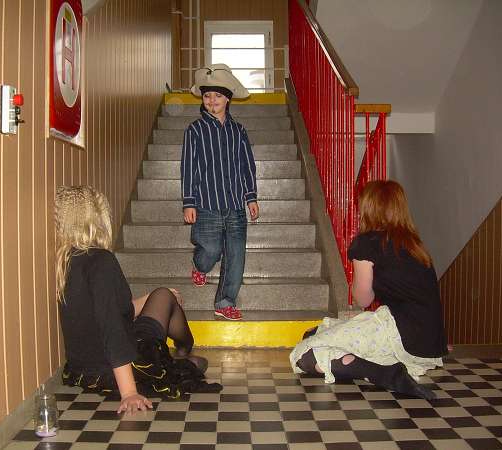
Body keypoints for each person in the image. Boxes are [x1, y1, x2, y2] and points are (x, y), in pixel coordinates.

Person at [55, 185, 220, 415]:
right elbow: (112, 328)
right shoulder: (101, 261)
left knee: (161, 294)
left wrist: (148, 298)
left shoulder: (68, 262)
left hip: (84, 369)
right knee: (194, 360)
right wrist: (129, 392)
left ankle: (180, 351)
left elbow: (117, 312)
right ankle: (183, 348)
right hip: (116, 366)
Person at [290, 180, 448, 399]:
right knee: (314, 333)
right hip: (428, 345)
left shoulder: (367, 243)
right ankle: (382, 366)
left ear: (369, 209)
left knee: (304, 356)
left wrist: (355, 282)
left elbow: (363, 299)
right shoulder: (414, 245)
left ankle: (381, 374)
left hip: (399, 334)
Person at [181, 63, 259, 321]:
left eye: (217, 96)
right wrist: (189, 202)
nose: (211, 100)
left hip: (236, 205)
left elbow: (247, 165)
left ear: (227, 99)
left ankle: (225, 302)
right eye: (207, 96)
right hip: (206, 205)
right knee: (211, 251)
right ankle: (199, 265)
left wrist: (250, 196)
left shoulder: (239, 131)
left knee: (236, 255)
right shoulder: (194, 130)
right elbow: (188, 167)